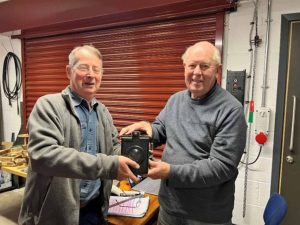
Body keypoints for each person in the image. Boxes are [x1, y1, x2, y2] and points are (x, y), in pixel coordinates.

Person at [120, 41, 247, 225]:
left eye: (205, 66)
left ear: (217, 70)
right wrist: (148, 130)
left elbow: (221, 167)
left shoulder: (230, 110)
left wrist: (171, 172)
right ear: (184, 67)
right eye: (192, 65)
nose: (197, 72)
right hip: (169, 209)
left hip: (206, 216)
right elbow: (161, 129)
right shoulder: (175, 100)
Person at [19, 45, 140, 225]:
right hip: (54, 214)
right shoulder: (49, 105)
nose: (90, 74)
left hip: (95, 209)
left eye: (96, 69)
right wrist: (108, 165)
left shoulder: (102, 112)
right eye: (83, 68)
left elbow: (112, 148)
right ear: (69, 71)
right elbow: (43, 155)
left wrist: (137, 153)